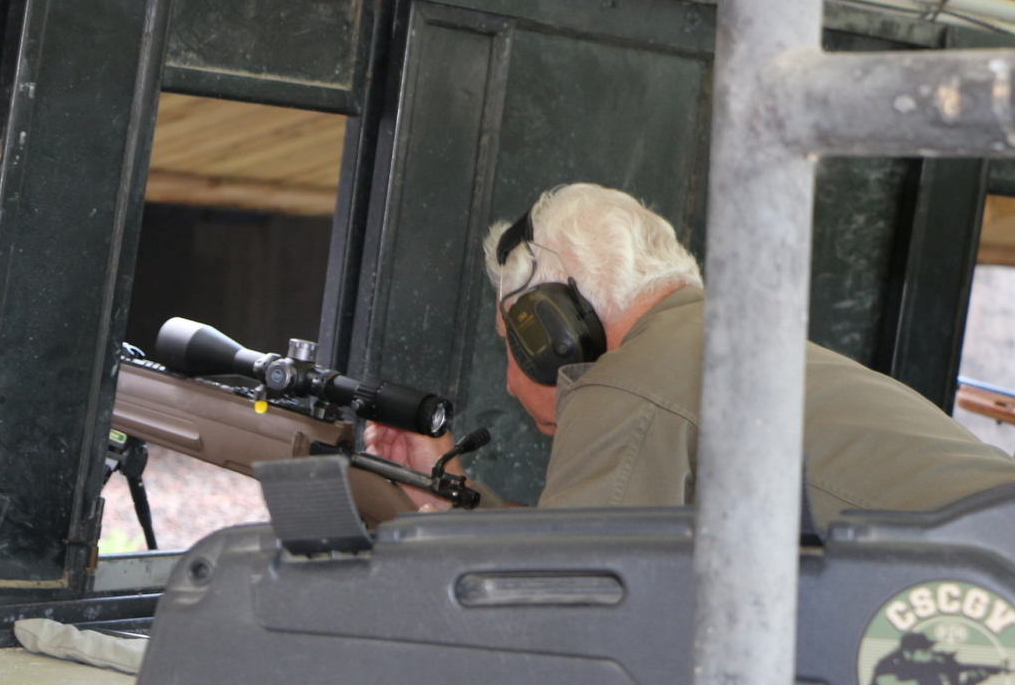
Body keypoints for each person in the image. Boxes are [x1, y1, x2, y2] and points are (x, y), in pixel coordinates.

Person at [365, 183, 1015, 526]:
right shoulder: (717, 350)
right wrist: (453, 498)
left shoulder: (627, 383)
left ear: (552, 329)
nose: (509, 382)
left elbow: (566, 600)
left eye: (509, 342)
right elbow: (608, 553)